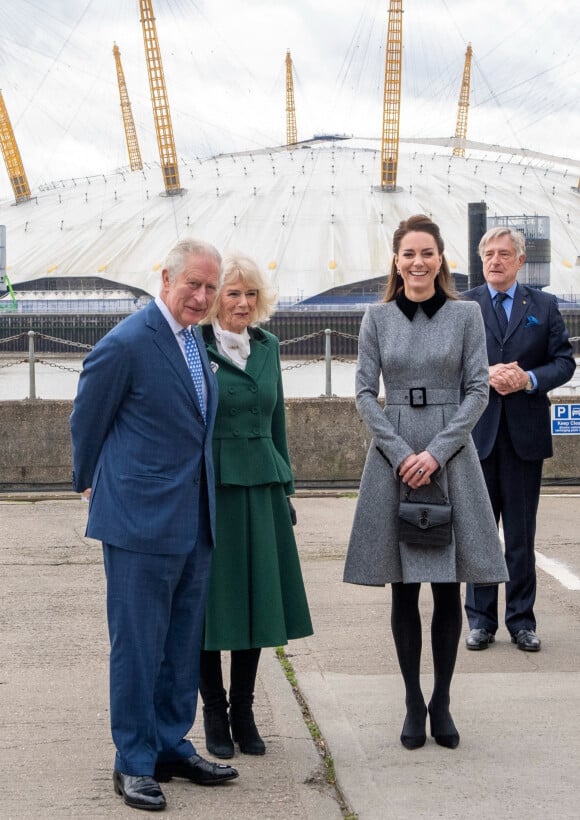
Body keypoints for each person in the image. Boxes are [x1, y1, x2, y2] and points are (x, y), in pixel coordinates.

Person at [70, 238, 239, 812]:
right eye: (192, 284)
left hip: (194, 520)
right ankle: (134, 762)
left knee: (180, 643)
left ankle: (170, 743)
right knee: (138, 648)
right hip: (140, 523)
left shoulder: (194, 341)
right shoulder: (127, 343)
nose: (201, 296)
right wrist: (89, 479)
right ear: (164, 279)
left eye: (210, 287)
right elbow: (87, 419)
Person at [344, 214, 508, 751]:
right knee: (403, 586)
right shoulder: (376, 318)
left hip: (450, 455)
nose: (418, 263)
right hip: (394, 453)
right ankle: (413, 701)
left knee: (446, 586)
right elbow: (366, 392)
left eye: (428, 253)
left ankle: (443, 699)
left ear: (442, 261)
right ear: (396, 261)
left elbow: (479, 390)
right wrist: (399, 454)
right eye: (409, 254)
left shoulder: (466, 317)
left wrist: (436, 453)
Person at [197, 252, 313, 759]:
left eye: (249, 294)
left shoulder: (268, 347)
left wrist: (285, 489)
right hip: (212, 489)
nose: (242, 303)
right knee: (209, 606)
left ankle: (243, 709)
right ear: (213, 299)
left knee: (257, 600)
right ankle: (214, 711)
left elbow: (277, 423)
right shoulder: (193, 346)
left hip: (262, 486)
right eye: (231, 293)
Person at [464, 226, 576, 652]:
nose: (495, 260)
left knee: (520, 536)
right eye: (489, 253)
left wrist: (528, 378)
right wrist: (485, 375)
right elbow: (448, 364)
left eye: (504, 254)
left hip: (525, 438)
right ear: (482, 259)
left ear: (519, 261)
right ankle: (480, 621)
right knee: (478, 533)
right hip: (477, 436)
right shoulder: (464, 306)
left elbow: (563, 363)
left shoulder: (544, 306)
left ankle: (522, 621)